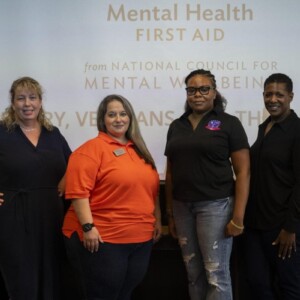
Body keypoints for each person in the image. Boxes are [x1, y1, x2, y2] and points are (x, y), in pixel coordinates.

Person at [62, 94, 161, 300]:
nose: (118, 119)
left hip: (141, 237)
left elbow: (151, 189)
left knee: (124, 293)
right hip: (102, 238)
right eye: (112, 114)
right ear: (102, 119)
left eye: (123, 114)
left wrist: (157, 220)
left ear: (130, 117)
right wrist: (88, 228)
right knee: (103, 295)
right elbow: (78, 193)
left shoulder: (139, 150)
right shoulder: (90, 150)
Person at [164, 69, 250, 300]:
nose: (198, 94)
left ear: (214, 92)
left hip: (216, 206)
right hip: (182, 208)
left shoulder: (229, 123)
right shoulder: (177, 126)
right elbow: (170, 173)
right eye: (192, 90)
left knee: (216, 274)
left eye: (204, 89)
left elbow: (243, 172)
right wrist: (170, 215)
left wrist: (238, 218)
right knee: (193, 274)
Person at [0, 76, 72, 299]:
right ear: (13, 102)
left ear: (40, 101)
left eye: (32, 98)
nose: (27, 103)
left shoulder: (54, 133)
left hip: (51, 215)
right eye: (21, 98)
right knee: (21, 276)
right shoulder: (2, 132)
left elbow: (74, 164)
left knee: (53, 274)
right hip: (14, 217)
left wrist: (66, 178)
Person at [243, 73, 300, 299]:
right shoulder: (264, 127)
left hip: (283, 228)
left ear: (291, 97)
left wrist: (291, 228)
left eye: (279, 94)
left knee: (290, 287)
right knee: (258, 284)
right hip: (255, 225)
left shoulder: (297, 130)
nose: (273, 99)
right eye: (268, 94)